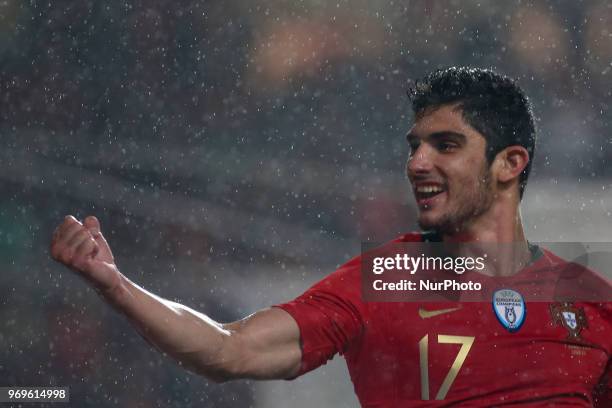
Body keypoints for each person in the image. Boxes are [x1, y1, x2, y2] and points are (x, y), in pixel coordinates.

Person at [51, 67, 611, 406]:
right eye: (413, 146)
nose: (416, 162)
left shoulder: (590, 298)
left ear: (510, 163)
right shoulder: (386, 279)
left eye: (444, 145)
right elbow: (230, 349)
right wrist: (116, 285)